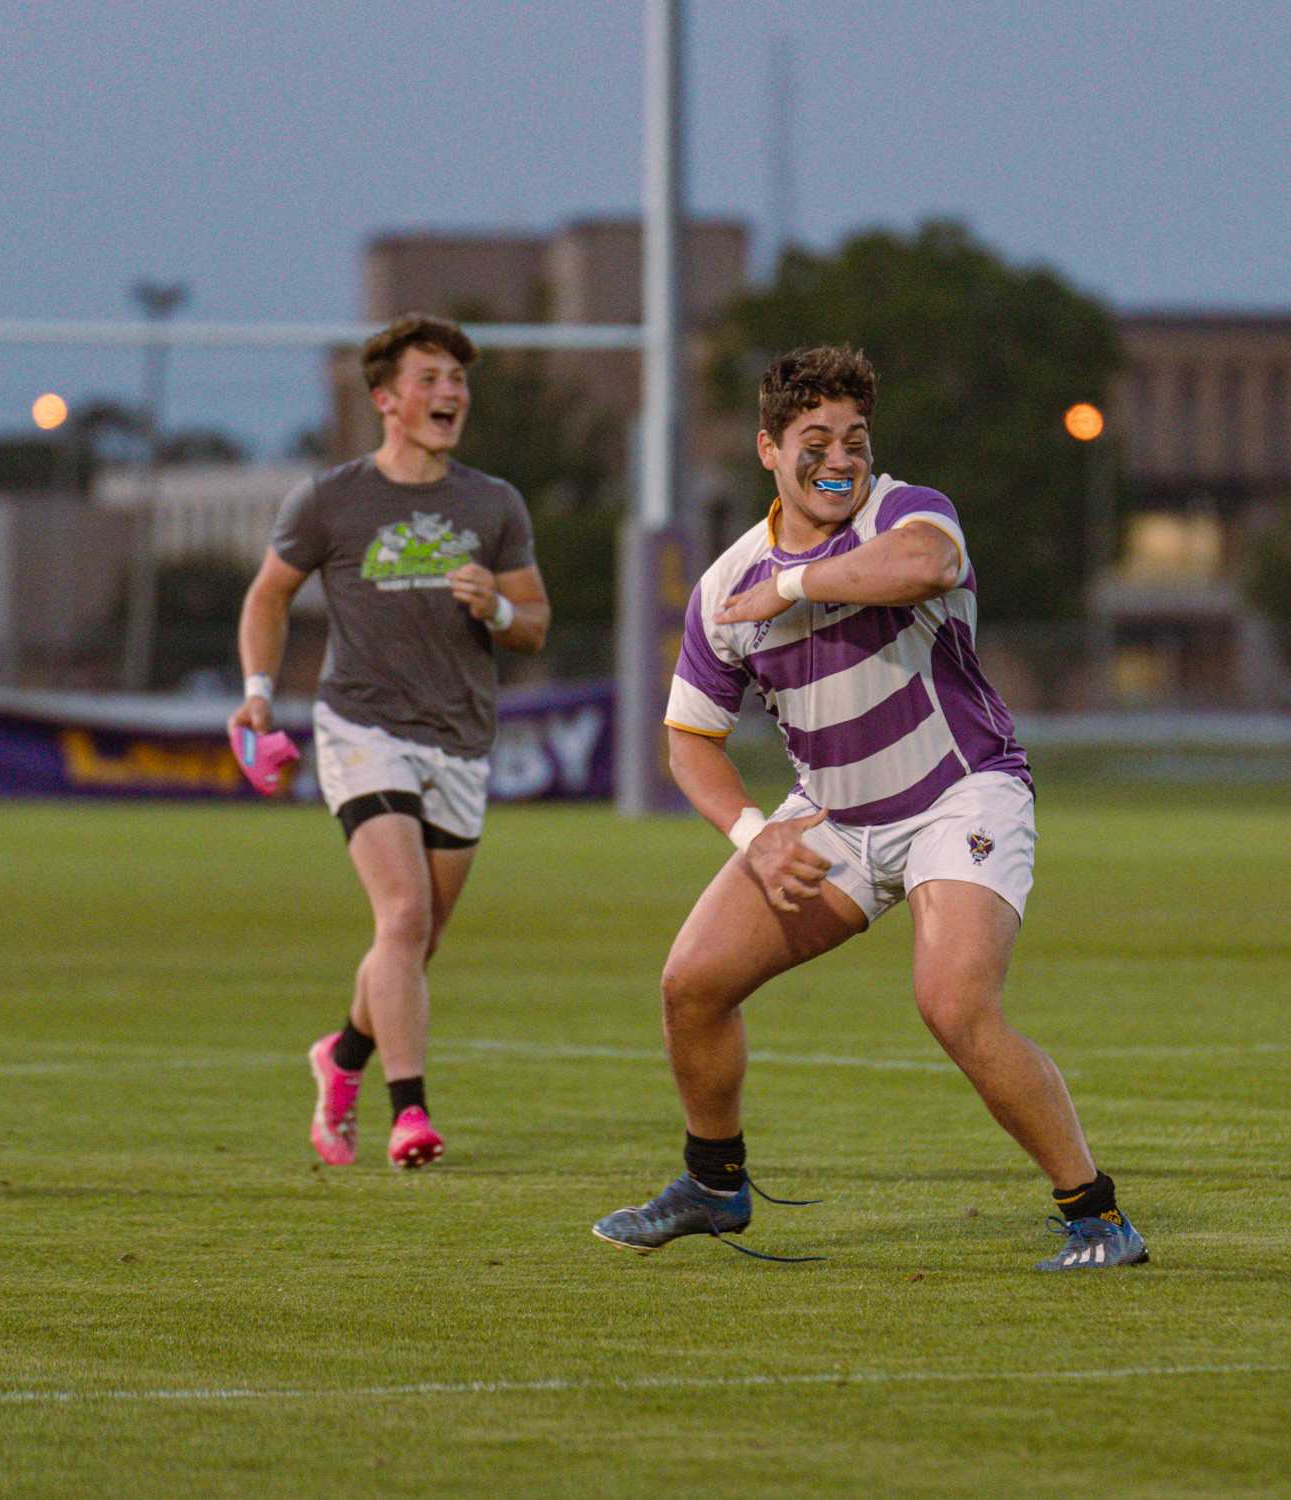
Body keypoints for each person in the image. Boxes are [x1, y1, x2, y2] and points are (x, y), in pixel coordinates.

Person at [592, 345, 1145, 1270]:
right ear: (769, 450)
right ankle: (714, 1184)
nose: (839, 455)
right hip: (835, 816)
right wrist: (754, 836)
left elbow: (926, 565)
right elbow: (688, 741)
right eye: (814, 438)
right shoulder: (723, 585)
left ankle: (1097, 1217)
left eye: (854, 435)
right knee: (691, 984)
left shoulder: (903, 510)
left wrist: (796, 583)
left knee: (953, 1004)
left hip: (960, 794)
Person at [228, 313, 550, 1170]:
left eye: (458, 380)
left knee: (415, 943)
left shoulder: (493, 504)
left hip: (459, 739)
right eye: (431, 379)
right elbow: (266, 598)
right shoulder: (331, 498)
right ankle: (410, 1113)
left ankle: (340, 1060)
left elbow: (535, 625)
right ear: (386, 400)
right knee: (402, 916)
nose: (450, 394)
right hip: (361, 727)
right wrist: (259, 696)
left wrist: (500, 609)